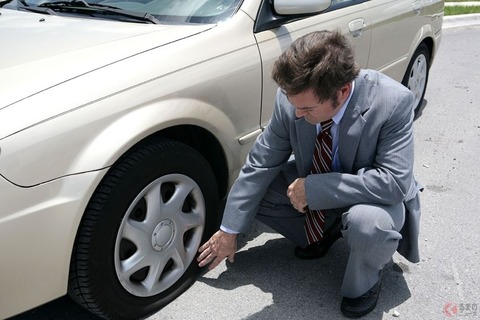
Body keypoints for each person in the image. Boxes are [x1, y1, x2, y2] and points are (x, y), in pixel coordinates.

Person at [197, 30, 422, 318]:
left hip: (374, 198)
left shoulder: (393, 102)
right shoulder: (291, 101)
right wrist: (229, 231)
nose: (298, 115)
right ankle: (323, 233)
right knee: (257, 190)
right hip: (321, 180)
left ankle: (365, 279)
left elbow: (394, 183)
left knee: (367, 224)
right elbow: (260, 164)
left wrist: (314, 190)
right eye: (294, 105)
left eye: (307, 108)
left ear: (341, 92)